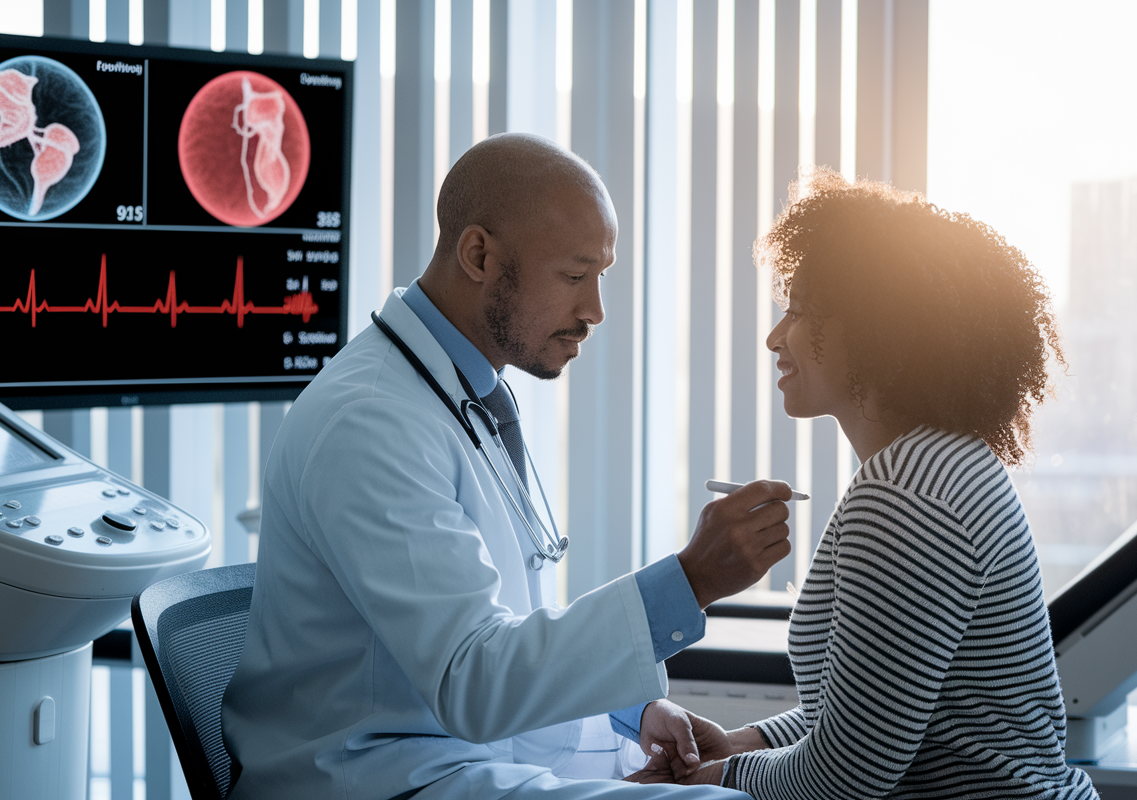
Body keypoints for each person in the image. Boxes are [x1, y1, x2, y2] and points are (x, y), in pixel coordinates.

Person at [220, 132, 794, 800]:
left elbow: (493, 641)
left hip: (455, 755)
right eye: (575, 277)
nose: (595, 311)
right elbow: (473, 678)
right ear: (479, 254)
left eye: (601, 277)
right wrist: (690, 581)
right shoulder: (371, 421)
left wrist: (630, 712)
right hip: (371, 779)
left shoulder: (461, 394)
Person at [627, 168, 1099, 799]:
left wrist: (706, 781)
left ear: (875, 329)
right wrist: (743, 743)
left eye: (797, 312)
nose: (774, 338)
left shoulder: (907, 497)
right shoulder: (933, 466)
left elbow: (847, 777)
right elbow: (876, 712)